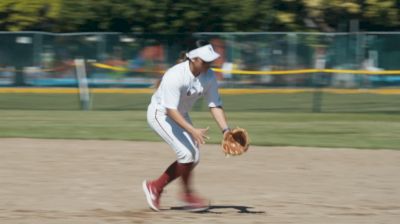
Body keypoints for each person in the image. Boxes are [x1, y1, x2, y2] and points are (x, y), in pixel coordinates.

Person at [142, 40, 231, 212]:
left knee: (193, 157)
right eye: (205, 61)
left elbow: (214, 105)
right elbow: (170, 110)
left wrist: (226, 130)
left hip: (179, 115)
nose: (208, 64)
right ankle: (187, 195)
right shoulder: (175, 75)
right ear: (193, 59)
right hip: (160, 114)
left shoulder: (209, 76)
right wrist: (192, 130)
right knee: (186, 154)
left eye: (210, 61)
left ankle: (155, 187)